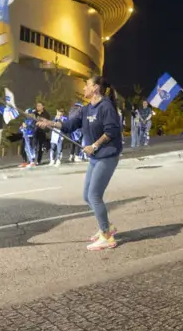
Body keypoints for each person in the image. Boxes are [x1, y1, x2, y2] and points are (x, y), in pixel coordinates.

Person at [37, 76, 123, 250]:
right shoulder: (86, 109)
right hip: (95, 157)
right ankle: (107, 226)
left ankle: (107, 236)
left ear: (96, 88)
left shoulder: (105, 106)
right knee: (87, 196)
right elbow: (70, 125)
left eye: (87, 85)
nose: (84, 89)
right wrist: (50, 123)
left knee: (94, 196)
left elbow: (112, 131)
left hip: (107, 155)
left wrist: (94, 145)